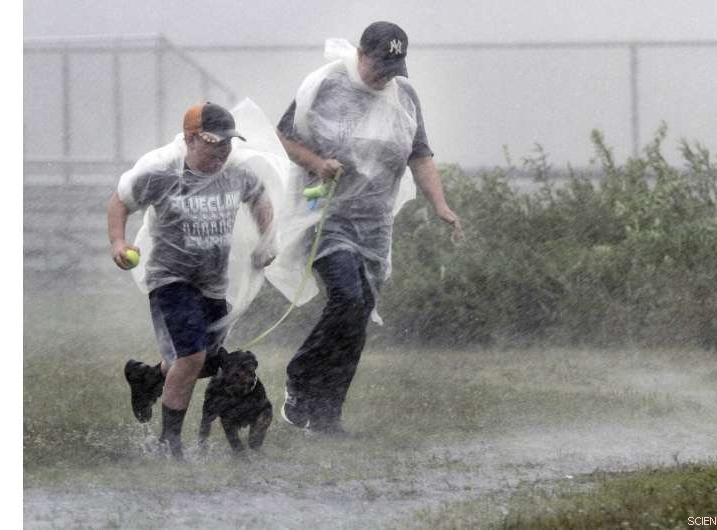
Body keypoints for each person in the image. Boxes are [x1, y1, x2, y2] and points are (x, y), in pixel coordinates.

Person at [275, 21, 463, 434]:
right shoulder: (325, 86)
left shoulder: (405, 97)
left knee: (358, 316)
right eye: (380, 64)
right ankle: (300, 376)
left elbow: (420, 154)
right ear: (361, 54)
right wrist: (319, 164)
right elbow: (286, 135)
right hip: (326, 216)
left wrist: (441, 204)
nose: (386, 75)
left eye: (394, 67)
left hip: (375, 224)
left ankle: (326, 416)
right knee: (347, 297)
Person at [107, 101, 277, 459]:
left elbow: (260, 199)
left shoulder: (237, 172)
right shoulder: (162, 173)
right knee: (192, 356)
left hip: (211, 283)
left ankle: (148, 379)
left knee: (207, 362)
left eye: (228, 143)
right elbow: (120, 202)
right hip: (170, 279)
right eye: (215, 143)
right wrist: (119, 242)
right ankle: (170, 445)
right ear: (191, 139)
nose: (223, 150)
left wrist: (267, 239)